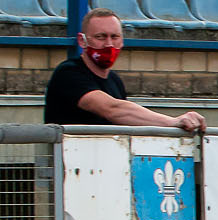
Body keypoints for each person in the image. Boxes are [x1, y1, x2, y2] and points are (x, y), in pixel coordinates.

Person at [42, 8, 206, 130]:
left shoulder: (115, 81)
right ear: (82, 41)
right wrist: (173, 122)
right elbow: (112, 109)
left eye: (114, 37)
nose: (108, 44)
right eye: (100, 37)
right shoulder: (68, 74)